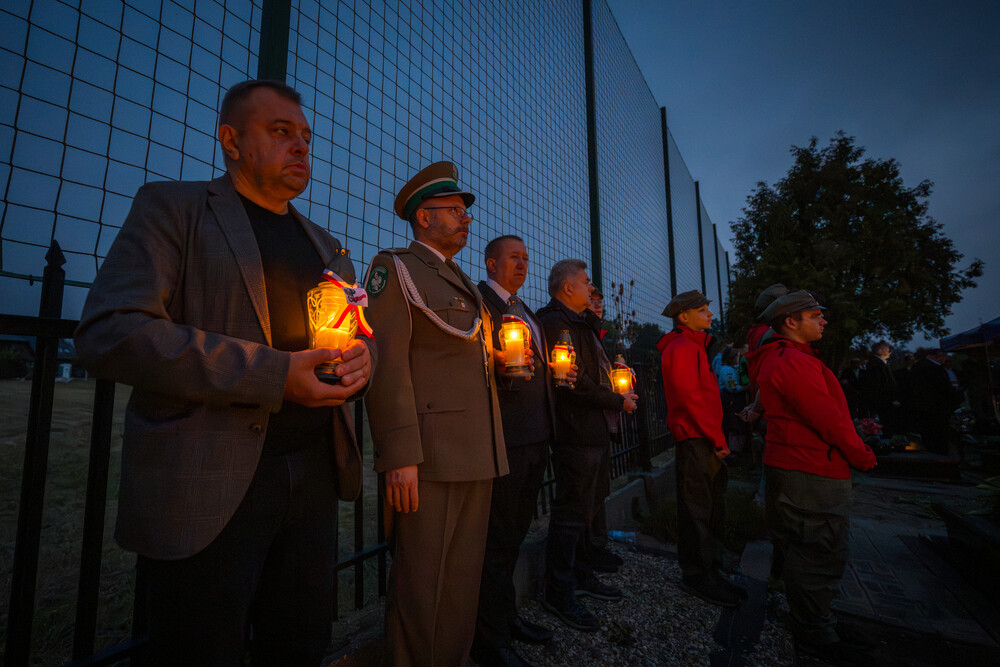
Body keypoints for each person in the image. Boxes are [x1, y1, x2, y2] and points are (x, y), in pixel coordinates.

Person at [73, 79, 375, 665]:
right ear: (230, 140)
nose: (301, 147)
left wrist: (366, 357)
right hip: (208, 481)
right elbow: (111, 331)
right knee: (201, 647)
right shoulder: (173, 209)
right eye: (281, 132)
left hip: (313, 476)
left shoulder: (327, 246)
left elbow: (357, 333)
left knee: (298, 644)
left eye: (306, 136)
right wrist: (273, 375)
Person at [363, 161, 507, 666]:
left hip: (477, 453)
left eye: (466, 211)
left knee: (461, 586)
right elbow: (387, 364)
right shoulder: (395, 268)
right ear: (424, 217)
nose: (467, 218)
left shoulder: (456, 277)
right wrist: (399, 454)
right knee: (421, 588)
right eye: (455, 210)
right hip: (429, 458)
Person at [749, 291, 878, 666]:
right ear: (791, 322)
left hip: (801, 465)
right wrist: (862, 455)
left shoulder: (788, 358)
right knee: (818, 551)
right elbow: (827, 418)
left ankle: (818, 622)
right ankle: (815, 632)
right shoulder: (791, 362)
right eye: (815, 315)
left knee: (806, 550)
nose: (823, 321)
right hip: (809, 469)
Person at [537, 259, 637, 632]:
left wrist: (620, 387)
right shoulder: (555, 324)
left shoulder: (581, 324)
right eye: (585, 281)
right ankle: (557, 589)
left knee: (584, 510)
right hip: (575, 433)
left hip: (591, 431)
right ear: (568, 288)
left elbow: (595, 374)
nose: (591, 287)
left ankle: (578, 574)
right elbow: (572, 383)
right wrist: (616, 402)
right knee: (570, 513)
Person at [472, 235, 558, 667]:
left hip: (536, 438)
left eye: (526, 258)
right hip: (505, 439)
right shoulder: (480, 304)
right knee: (495, 541)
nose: (522, 264)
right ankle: (488, 640)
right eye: (513, 257)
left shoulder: (527, 312)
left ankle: (506, 618)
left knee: (513, 537)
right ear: (491, 263)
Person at [656, 290, 744, 607]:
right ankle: (698, 576)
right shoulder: (681, 348)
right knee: (697, 511)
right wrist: (718, 442)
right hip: (698, 441)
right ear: (684, 316)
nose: (710, 315)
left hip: (703, 439)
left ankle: (711, 571)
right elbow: (690, 400)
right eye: (703, 310)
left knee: (709, 509)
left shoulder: (693, 347)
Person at [907, 348, 963, 455]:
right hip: (938, 407)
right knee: (939, 434)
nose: (943, 358)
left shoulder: (917, 367)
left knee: (928, 434)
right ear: (932, 356)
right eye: (940, 355)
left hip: (922, 407)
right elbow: (944, 388)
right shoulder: (936, 369)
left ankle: (931, 454)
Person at [859, 341, 898, 432]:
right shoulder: (876, 365)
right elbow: (879, 385)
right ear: (880, 351)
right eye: (887, 349)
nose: (889, 351)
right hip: (883, 403)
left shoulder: (878, 364)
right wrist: (891, 399)